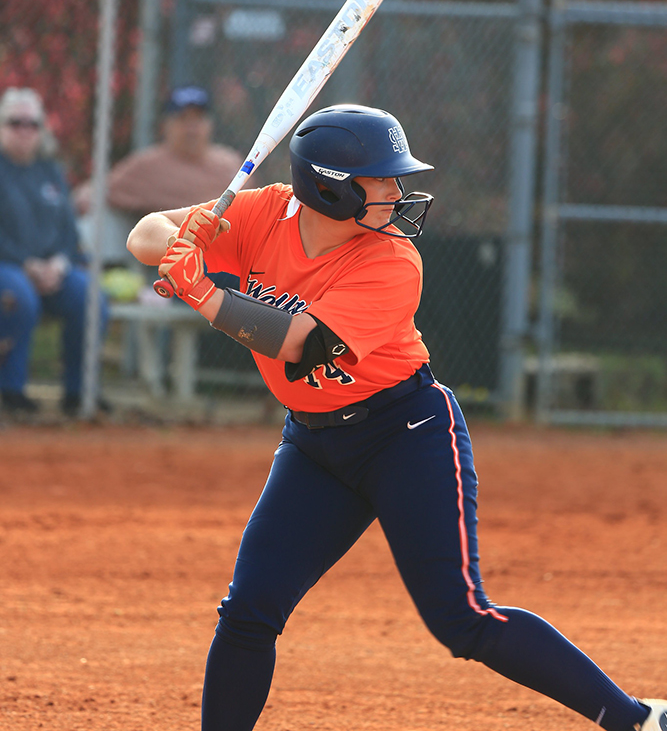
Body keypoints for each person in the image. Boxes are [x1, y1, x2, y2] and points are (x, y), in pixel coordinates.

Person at [127, 104, 666, 731]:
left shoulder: (391, 259)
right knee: (249, 608)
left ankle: (636, 721)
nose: (397, 190)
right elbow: (145, 233)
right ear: (328, 185)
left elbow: (300, 344)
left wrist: (203, 291)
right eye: (380, 179)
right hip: (313, 445)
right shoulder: (263, 210)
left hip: (405, 434)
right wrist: (184, 243)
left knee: (461, 619)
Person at [0, 87, 109, 417]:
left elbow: (68, 232)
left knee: (90, 298)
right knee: (19, 297)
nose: (24, 131)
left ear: (41, 129)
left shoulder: (51, 171)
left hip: (52, 269)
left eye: (31, 124)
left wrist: (60, 265)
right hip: (8, 267)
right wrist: (29, 265)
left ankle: (79, 392)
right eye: (14, 123)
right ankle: (11, 391)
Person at [74, 85, 246, 220]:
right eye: (182, 119)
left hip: (228, 249)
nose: (191, 128)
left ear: (210, 124)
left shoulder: (229, 165)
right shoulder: (147, 166)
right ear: (166, 126)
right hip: (172, 253)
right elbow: (92, 193)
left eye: (198, 119)